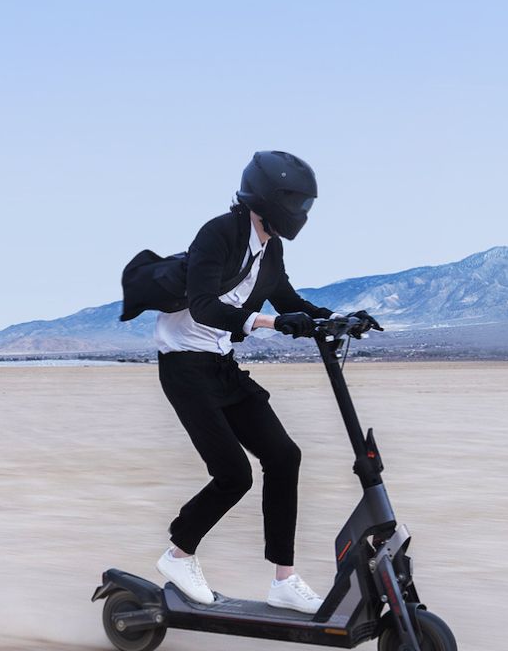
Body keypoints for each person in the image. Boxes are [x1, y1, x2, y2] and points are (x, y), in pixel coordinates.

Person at [153, 150, 378, 614]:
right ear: (271, 199)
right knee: (233, 474)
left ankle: (284, 579)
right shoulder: (219, 234)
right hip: (184, 370)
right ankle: (178, 554)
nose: (301, 214)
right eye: (297, 203)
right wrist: (270, 324)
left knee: (283, 456)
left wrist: (338, 318)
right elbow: (203, 306)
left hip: (219, 365)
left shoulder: (270, 249)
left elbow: (289, 298)